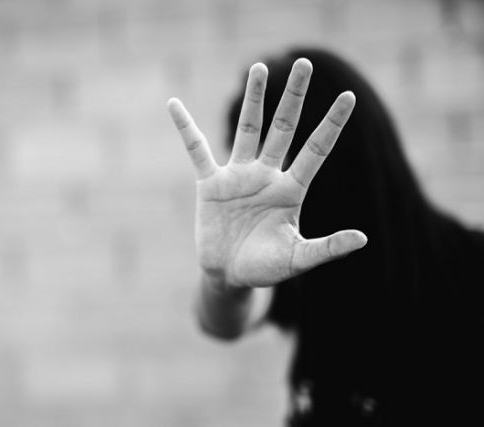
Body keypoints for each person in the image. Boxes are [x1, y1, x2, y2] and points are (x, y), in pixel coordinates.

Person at [167, 47, 484, 427]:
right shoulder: (302, 263)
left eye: (279, 166)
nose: (263, 196)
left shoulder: (472, 267)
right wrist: (224, 281)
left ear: (340, 160)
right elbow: (222, 323)